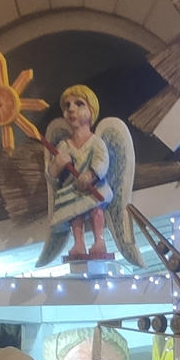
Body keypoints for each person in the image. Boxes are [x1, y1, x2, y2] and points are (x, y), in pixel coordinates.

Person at [48, 84, 113, 261]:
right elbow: (52, 174)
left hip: (94, 188)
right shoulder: (64, 145)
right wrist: (58, 165)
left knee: (95, 210)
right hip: (74, 190)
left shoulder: (95, 142)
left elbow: (102, 160)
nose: (71, 109)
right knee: (74, 213)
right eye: (67, 106)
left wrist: (91, 175)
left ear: (91, 110)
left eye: (79, 104)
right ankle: (78, 242)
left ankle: (99, 240)